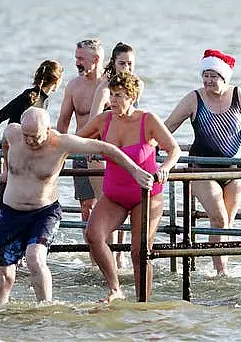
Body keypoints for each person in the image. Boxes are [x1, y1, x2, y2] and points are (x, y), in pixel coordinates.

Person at [0, 107, 155, 306]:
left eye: (36, 136)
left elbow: (106, 148)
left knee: (34, 257)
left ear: (48, 131)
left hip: (43, 212)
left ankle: (45, 308)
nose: (30, 141)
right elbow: (6, 144)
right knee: (3, 277)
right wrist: (7, 170)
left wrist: (136, 171)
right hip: (11, 213)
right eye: (26, 136)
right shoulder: (13, 132)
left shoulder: (61, 143)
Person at [78, 72, 181, 302]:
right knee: (93, 235)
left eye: (120, 96)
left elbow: (174, 150)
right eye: (112, 95)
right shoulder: (104, 120)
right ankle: (115, 289)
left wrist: (164, 168)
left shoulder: (148, 120)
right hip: (114, 195)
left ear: (132, 97)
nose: (113, 101)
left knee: (139, 253)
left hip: (146, 195)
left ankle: (142, 303)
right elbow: (76, 140)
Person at [165, 49, 241, 275]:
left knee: (228, 222)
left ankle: (219, 266)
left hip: (234, 169)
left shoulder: (238, 94)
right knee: (218, 217)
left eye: (213, 76)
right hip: (201, 169)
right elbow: (167, 127)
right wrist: (159, 147)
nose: (208, 80)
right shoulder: (194, 98)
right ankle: (220, 271)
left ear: (224, 77)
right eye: (205, 75)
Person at [88, 42, 145, 269]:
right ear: (113, 63)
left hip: (128, 156)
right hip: (103, 156)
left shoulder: (135, 87)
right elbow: (94, 120)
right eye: (122, 63)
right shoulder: (105, 88)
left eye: (131, 63)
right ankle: (106, 260)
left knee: (127, 206)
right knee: (107, 205)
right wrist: (99, 150)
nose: (127, 68)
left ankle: (120, 258)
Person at [0, 60, 63, 211]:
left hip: (26, 157)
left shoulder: (44, 100)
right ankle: (2, 226)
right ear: (57, 81)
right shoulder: (28, 97)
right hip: (8, 154)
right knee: (6, 196)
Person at [56, 39, 105, 254]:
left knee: (108, 206)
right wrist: (58, 152)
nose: (77, 63)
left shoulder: (110, 85)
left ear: (95, 59)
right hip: (80, 152)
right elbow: (63, 122)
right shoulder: (74, 86)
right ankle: (93, 255)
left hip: (105, 153)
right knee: (87, 207)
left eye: (81, 59)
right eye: (76, 58)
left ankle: (115, 253)